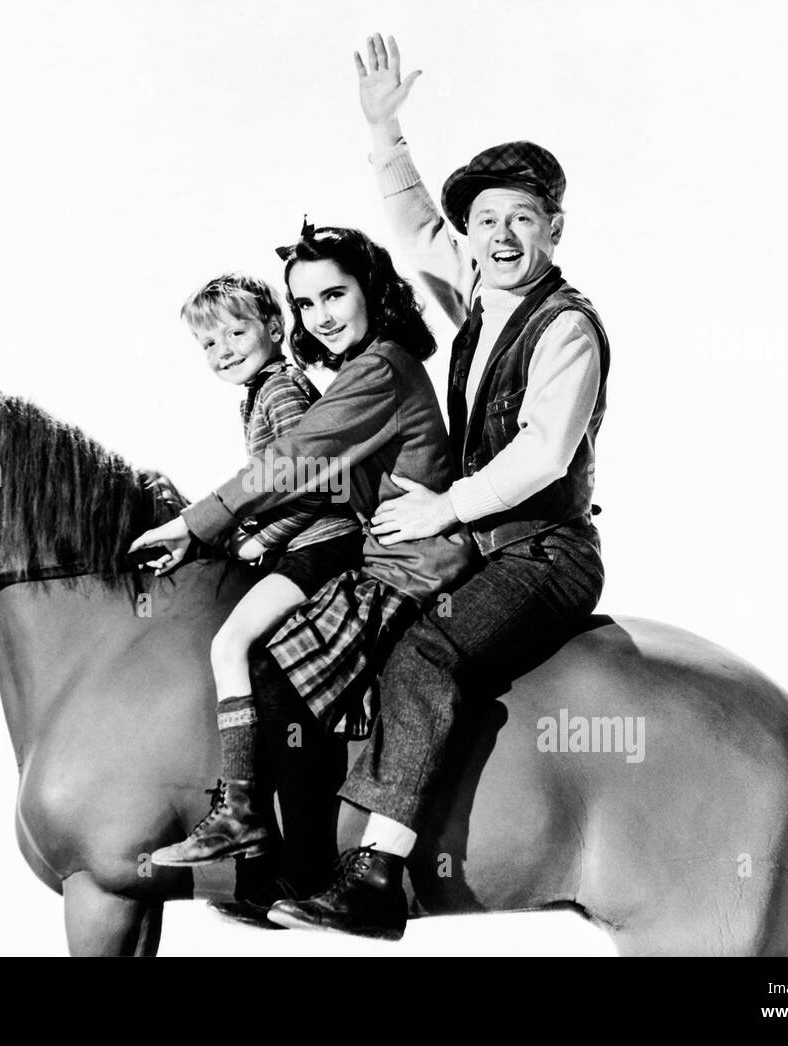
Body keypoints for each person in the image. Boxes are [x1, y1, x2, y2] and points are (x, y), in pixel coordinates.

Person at [265, 34, 610, 939]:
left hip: (544, 551)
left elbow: (542, 455)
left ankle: (377, 877)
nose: (500, 236)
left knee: (427, 655)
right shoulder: (479, 296)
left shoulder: (566, 327)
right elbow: (418, 227)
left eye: (522, 219)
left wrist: (444, 507)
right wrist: (385, 133)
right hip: (477, 543)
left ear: (554, 229)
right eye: (487, 220)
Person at [130, 223, 474, 929]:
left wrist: (204, 524)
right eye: (307, 301)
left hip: (404, 567)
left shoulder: (375, 368)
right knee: (266, 667)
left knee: (283, 675)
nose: (320, 315)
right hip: (378, 553)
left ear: (370, 291)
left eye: (334, 294)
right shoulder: (354, 371)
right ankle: (263, 841)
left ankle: (288, 855)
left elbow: (298, 462)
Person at [148, 273, 363, 868]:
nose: (224, 352)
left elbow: (314, 481)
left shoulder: (283, 392)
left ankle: (242, 811)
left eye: (236, 333)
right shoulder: (262, 391)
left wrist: (254, 541)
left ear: (275, 328)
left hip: (325, 546)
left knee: (229, 645)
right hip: (299, 544)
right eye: (209, 345)